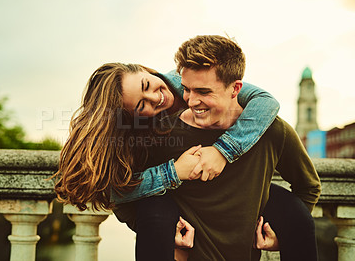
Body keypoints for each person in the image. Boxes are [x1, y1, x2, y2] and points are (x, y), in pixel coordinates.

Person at [54, 39, 319, 260]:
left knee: (294, 212)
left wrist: (223, 151)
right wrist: (166, 231)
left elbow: (266, 101)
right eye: (140, 106)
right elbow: (120, 195)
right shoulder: (159, 133)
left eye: (202, 91)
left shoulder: (270, 129)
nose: (190, 100)